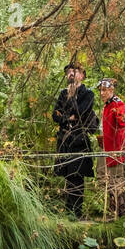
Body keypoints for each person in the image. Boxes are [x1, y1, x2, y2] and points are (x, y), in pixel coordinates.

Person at [52, 60, 99, 216]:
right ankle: (68, 211)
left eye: (75, 71)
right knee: (67, 176)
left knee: (77, 176)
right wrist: (68, 118)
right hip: (65, 140)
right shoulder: (62, 94)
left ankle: (76, 213)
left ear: (82, 75)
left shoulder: (88, 94)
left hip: (79, 140)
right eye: (69, 72)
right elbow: (55, 115)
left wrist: (72, 99)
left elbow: (81, 111)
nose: (71, 74)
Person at [98, 78, 125, 220]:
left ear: (111, 90)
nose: (102, 93)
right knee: (105, 178)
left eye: (104, 90)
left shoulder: (117, 104)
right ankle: (114, 212)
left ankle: (118, 214)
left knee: (116, 180)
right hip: (107, 148)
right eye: (100, 90)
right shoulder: (107, 105)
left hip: (116, 149)